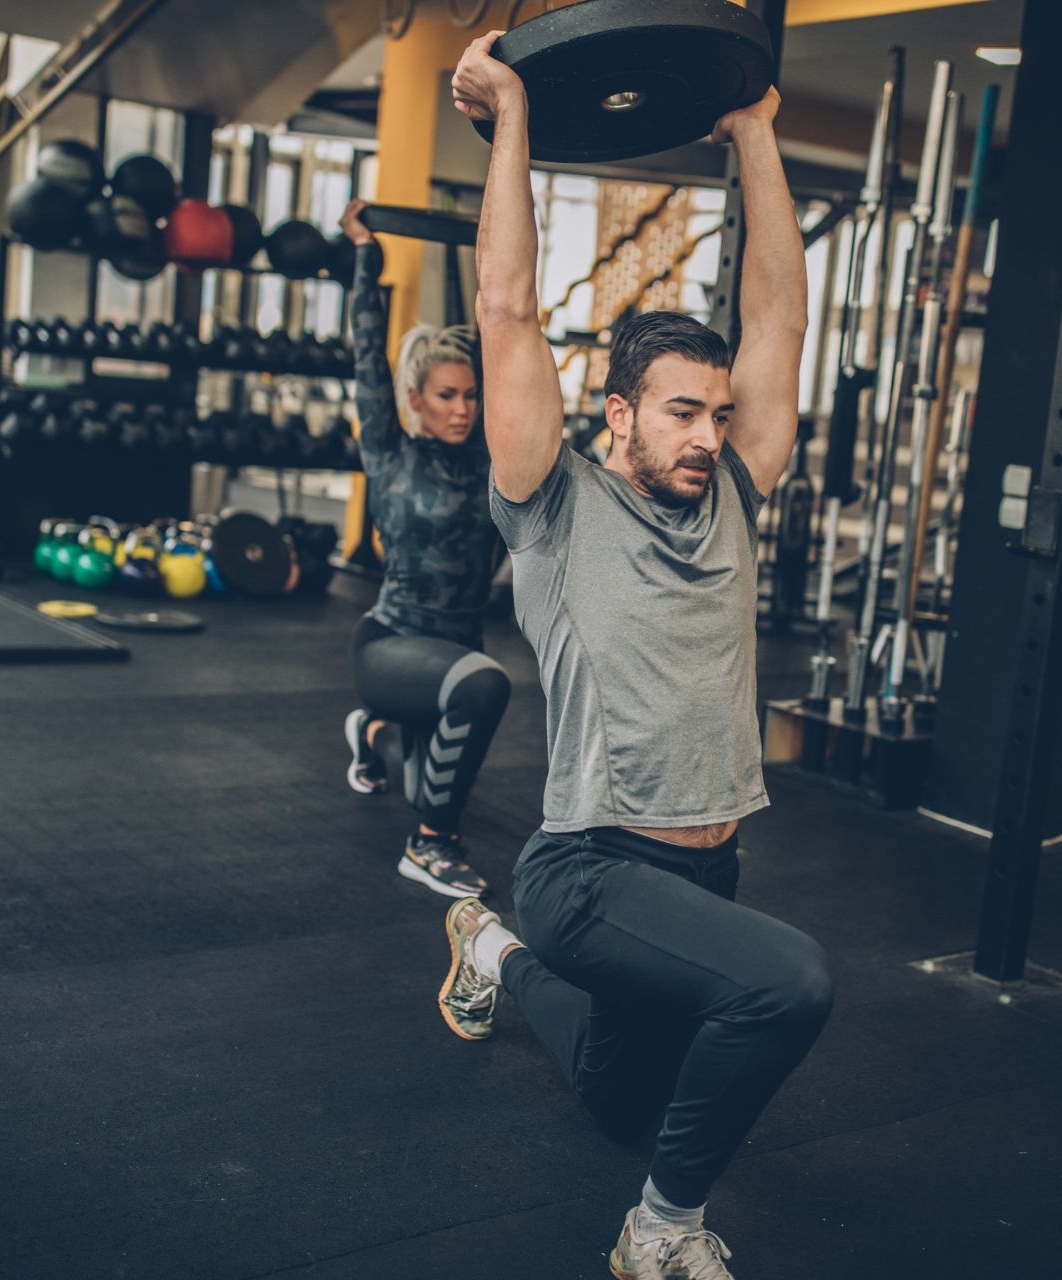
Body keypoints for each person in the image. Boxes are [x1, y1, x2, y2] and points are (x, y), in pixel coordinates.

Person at [434, 32, 834, 1279]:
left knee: (618, 1101)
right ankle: (662, 1226)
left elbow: (779, 310)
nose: (710, 433)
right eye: (680, 410)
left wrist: (756, 131)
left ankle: (490, 948)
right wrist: (510, 117)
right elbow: (502, 308)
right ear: (617, 411)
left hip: (702, 873)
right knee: (786, 986)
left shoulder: (735, 498)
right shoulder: (550, 502)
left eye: (719, 414)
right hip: (591, 865)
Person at [338, 198, 513, 898]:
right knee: (485, 683)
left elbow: (512, 347)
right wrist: (363, 256)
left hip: (448, 655)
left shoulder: (492, 464)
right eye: (447, 395)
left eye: (472, 394)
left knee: (421, 775)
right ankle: (429, 844)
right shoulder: (387, 451)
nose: (463, 407)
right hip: (391, 646)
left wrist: (504, 258)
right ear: (417, 398)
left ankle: (371, 735)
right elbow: (364, 357)